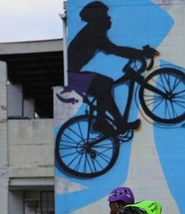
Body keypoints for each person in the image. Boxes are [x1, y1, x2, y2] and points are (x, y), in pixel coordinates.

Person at [68, 1, 159, 134]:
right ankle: (100, 123)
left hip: (71, 75)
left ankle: (120, 124)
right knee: (106, 83)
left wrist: (139, 53)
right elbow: (115, 49)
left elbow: (115, 49)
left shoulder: (91, 30)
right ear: (98, 17)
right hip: (70, 77)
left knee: (104, 91)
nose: (109, 17)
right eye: (106, 14)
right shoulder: (93, 32)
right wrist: (142, 53)